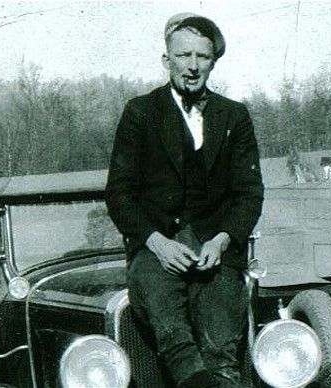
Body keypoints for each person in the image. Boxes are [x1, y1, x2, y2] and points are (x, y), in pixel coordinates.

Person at [106, 12, 264, 388]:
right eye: (183, 56)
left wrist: (222, 239)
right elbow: (119, 192)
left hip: (216, 249)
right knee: (175, 337)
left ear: (213, 62)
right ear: (167, 60)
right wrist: (157, 243)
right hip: (156, 247)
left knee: (222, 347)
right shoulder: (140, 113)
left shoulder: (234, 117)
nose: (192, 67)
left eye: (202, 57)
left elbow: (249, 193)